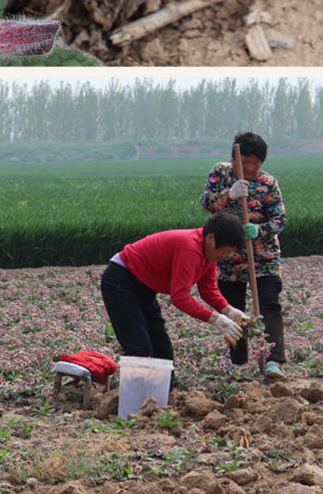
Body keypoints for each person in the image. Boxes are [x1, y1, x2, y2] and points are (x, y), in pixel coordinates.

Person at [100, 213, 248, 366]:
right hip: (121, 281)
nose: (225, 256)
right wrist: (215, 319)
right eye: (224, 252)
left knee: (162, 352)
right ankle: (138, 389)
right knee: (139, 349)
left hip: (144, 287)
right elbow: (179, 297)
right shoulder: (190, 248)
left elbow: (208, 289)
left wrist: (229, 311)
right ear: (211, 238)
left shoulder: (209, 255)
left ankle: (162, 390)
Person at [201, 132, 287, 381]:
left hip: (264, 258)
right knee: (232, 308)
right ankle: (237, 362)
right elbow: (206, 203)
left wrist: (260, 230)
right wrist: (228, 195)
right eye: (245, 162)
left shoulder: (268, 183)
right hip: (228, 259)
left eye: (255, 164)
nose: (250, 168)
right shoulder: (220, 173)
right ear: (234, 158)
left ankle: (273, 361)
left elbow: (279, 219)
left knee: (270, 304)